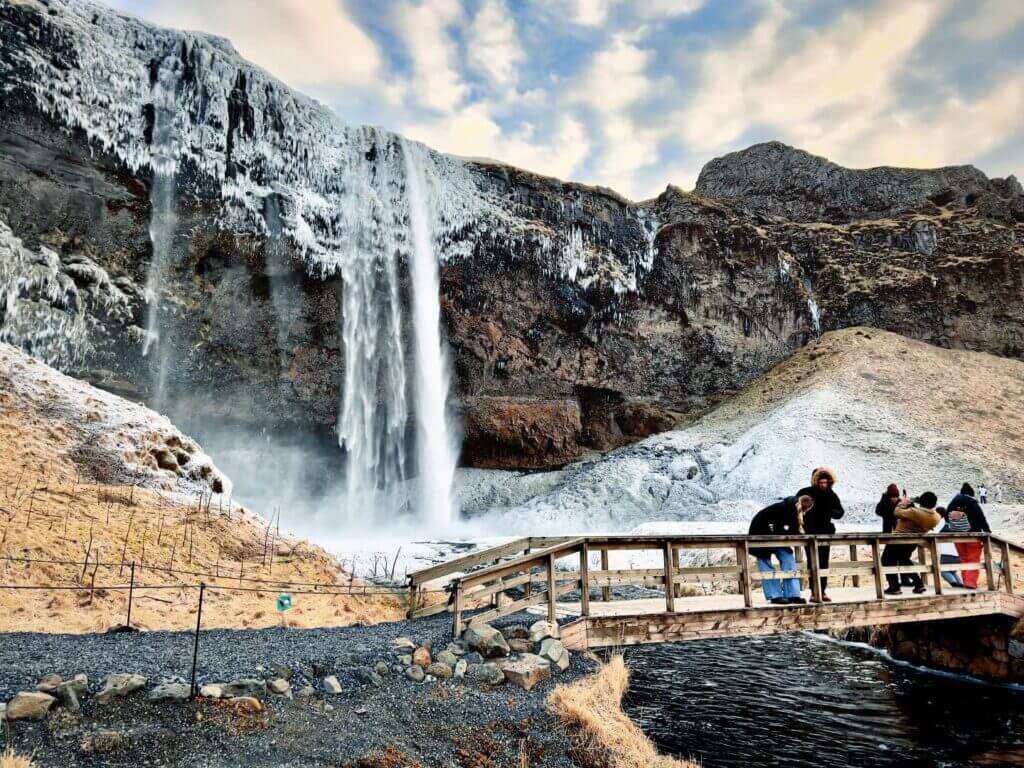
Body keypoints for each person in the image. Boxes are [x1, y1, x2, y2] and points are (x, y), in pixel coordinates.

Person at [748, 496, 812, 605]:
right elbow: (780, 527)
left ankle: (792, 594)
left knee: (788, 559)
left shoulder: (792, 509)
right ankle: (775, 595)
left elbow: (788, 529)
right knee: (765, 563)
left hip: (775, 535)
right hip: (759, 534)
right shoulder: (786, 509)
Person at [797, 467, 844, 602]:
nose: (823, 485)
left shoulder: (831, 495)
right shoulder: (805, 492)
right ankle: (813, 592)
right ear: (815, 481)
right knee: (812, 562)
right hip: (810, 533)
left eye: (825, 482)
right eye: (821, 482)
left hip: (824, 533)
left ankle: (822, 591)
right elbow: (796, 508)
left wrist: (829, 511)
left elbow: (840, 512)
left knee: (823, 562)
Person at [882, 492, 941, 595]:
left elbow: (897, 512)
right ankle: (919, 584)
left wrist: (903, 503)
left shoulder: (915, 512)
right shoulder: (936, 517)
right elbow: (923, 513)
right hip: (913, 542)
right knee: (904, 560)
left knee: (886, 560)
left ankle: (894, 586)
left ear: (922, 502)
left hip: (898, 539)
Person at [946, 483, 991, 589]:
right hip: (973, 535)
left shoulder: (953, 502)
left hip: (957, 536)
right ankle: (970, 583)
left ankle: (966, 581)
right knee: (973, 558)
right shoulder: (972, 502)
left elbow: (947, 517)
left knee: (963, 559)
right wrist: (987, 531)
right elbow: (981, 518)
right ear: (971, 493)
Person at [875, 483, 914, 586]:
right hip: (890, 533)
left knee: (902, 557)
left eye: (896, 496)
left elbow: (913, 510)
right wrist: (883, 498)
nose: (894, 499)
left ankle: (903, 581)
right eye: (892, 497)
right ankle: (896, 583)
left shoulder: (902, 503)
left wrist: (907, 502)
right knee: (893, 559)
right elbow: (878, 511)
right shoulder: (885, 503)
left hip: (902, 533)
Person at [933, 507, 965, 589]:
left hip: (947, 553)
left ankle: (955, 585)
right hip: (959, 553)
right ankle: (960, 585)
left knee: (943, 571)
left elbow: (933, 533)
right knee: (952, 571)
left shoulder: (941, 522)